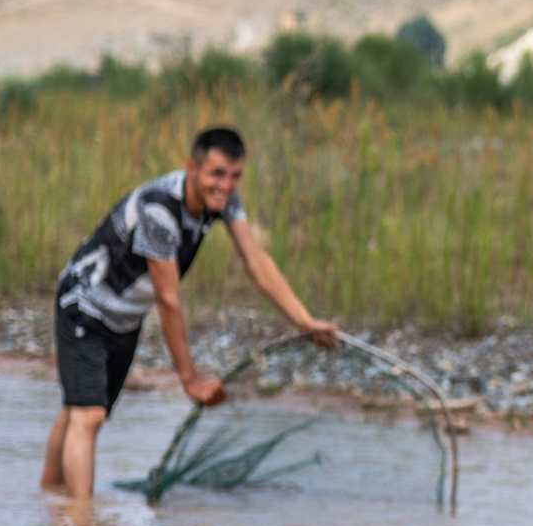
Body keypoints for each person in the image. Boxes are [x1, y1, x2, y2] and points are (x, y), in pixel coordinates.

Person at [43, 126, 338, 498]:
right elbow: (168, 299)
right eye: (217, 174)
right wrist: (190, 379)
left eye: (234, 177)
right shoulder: (159, 209)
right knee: (89, 415)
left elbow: (256, 260)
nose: (226, 185)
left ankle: (49, 496)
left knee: (80, 412)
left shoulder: (224, 200)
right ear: (192, 169)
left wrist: (305, 321)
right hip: (84, 305)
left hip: (125, 317)